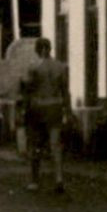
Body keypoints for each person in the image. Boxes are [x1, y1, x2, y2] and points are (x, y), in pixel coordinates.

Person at [19, 38, 69, 194]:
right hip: (55, 107)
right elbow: (65, 91)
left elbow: (27, 90)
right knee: (55, 144)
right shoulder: (61, 67)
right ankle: (59, 178)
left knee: (36, 145)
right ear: (50, 48)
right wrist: (68, 110)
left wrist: (23, 110)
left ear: (37, 49)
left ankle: (34, 180)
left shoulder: (33, 67)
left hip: (38, 107)